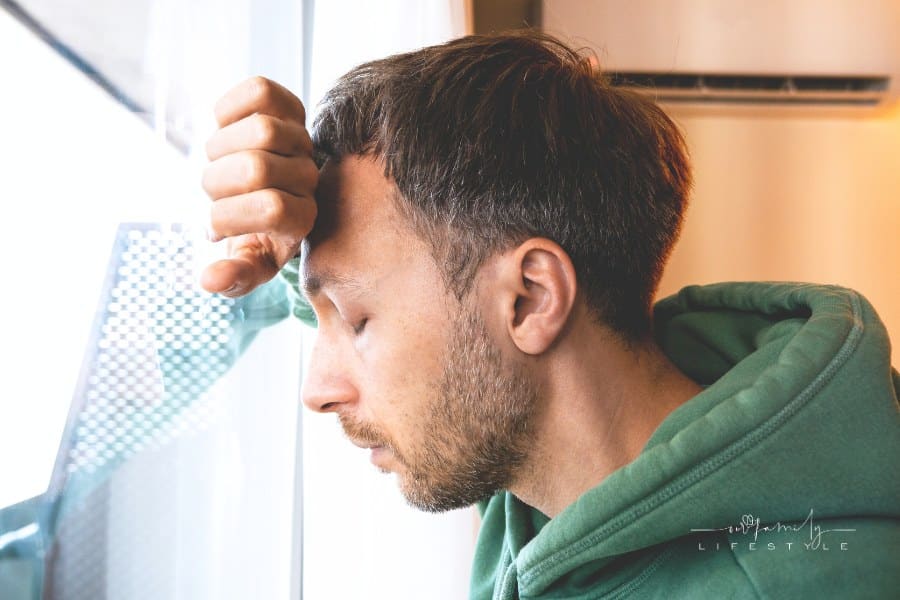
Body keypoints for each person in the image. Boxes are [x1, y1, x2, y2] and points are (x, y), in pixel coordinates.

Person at [201, 31, 899, 599]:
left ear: (531, 298)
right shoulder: (547, 470)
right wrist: (270, 237)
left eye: (356, 323)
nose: (319, 391)